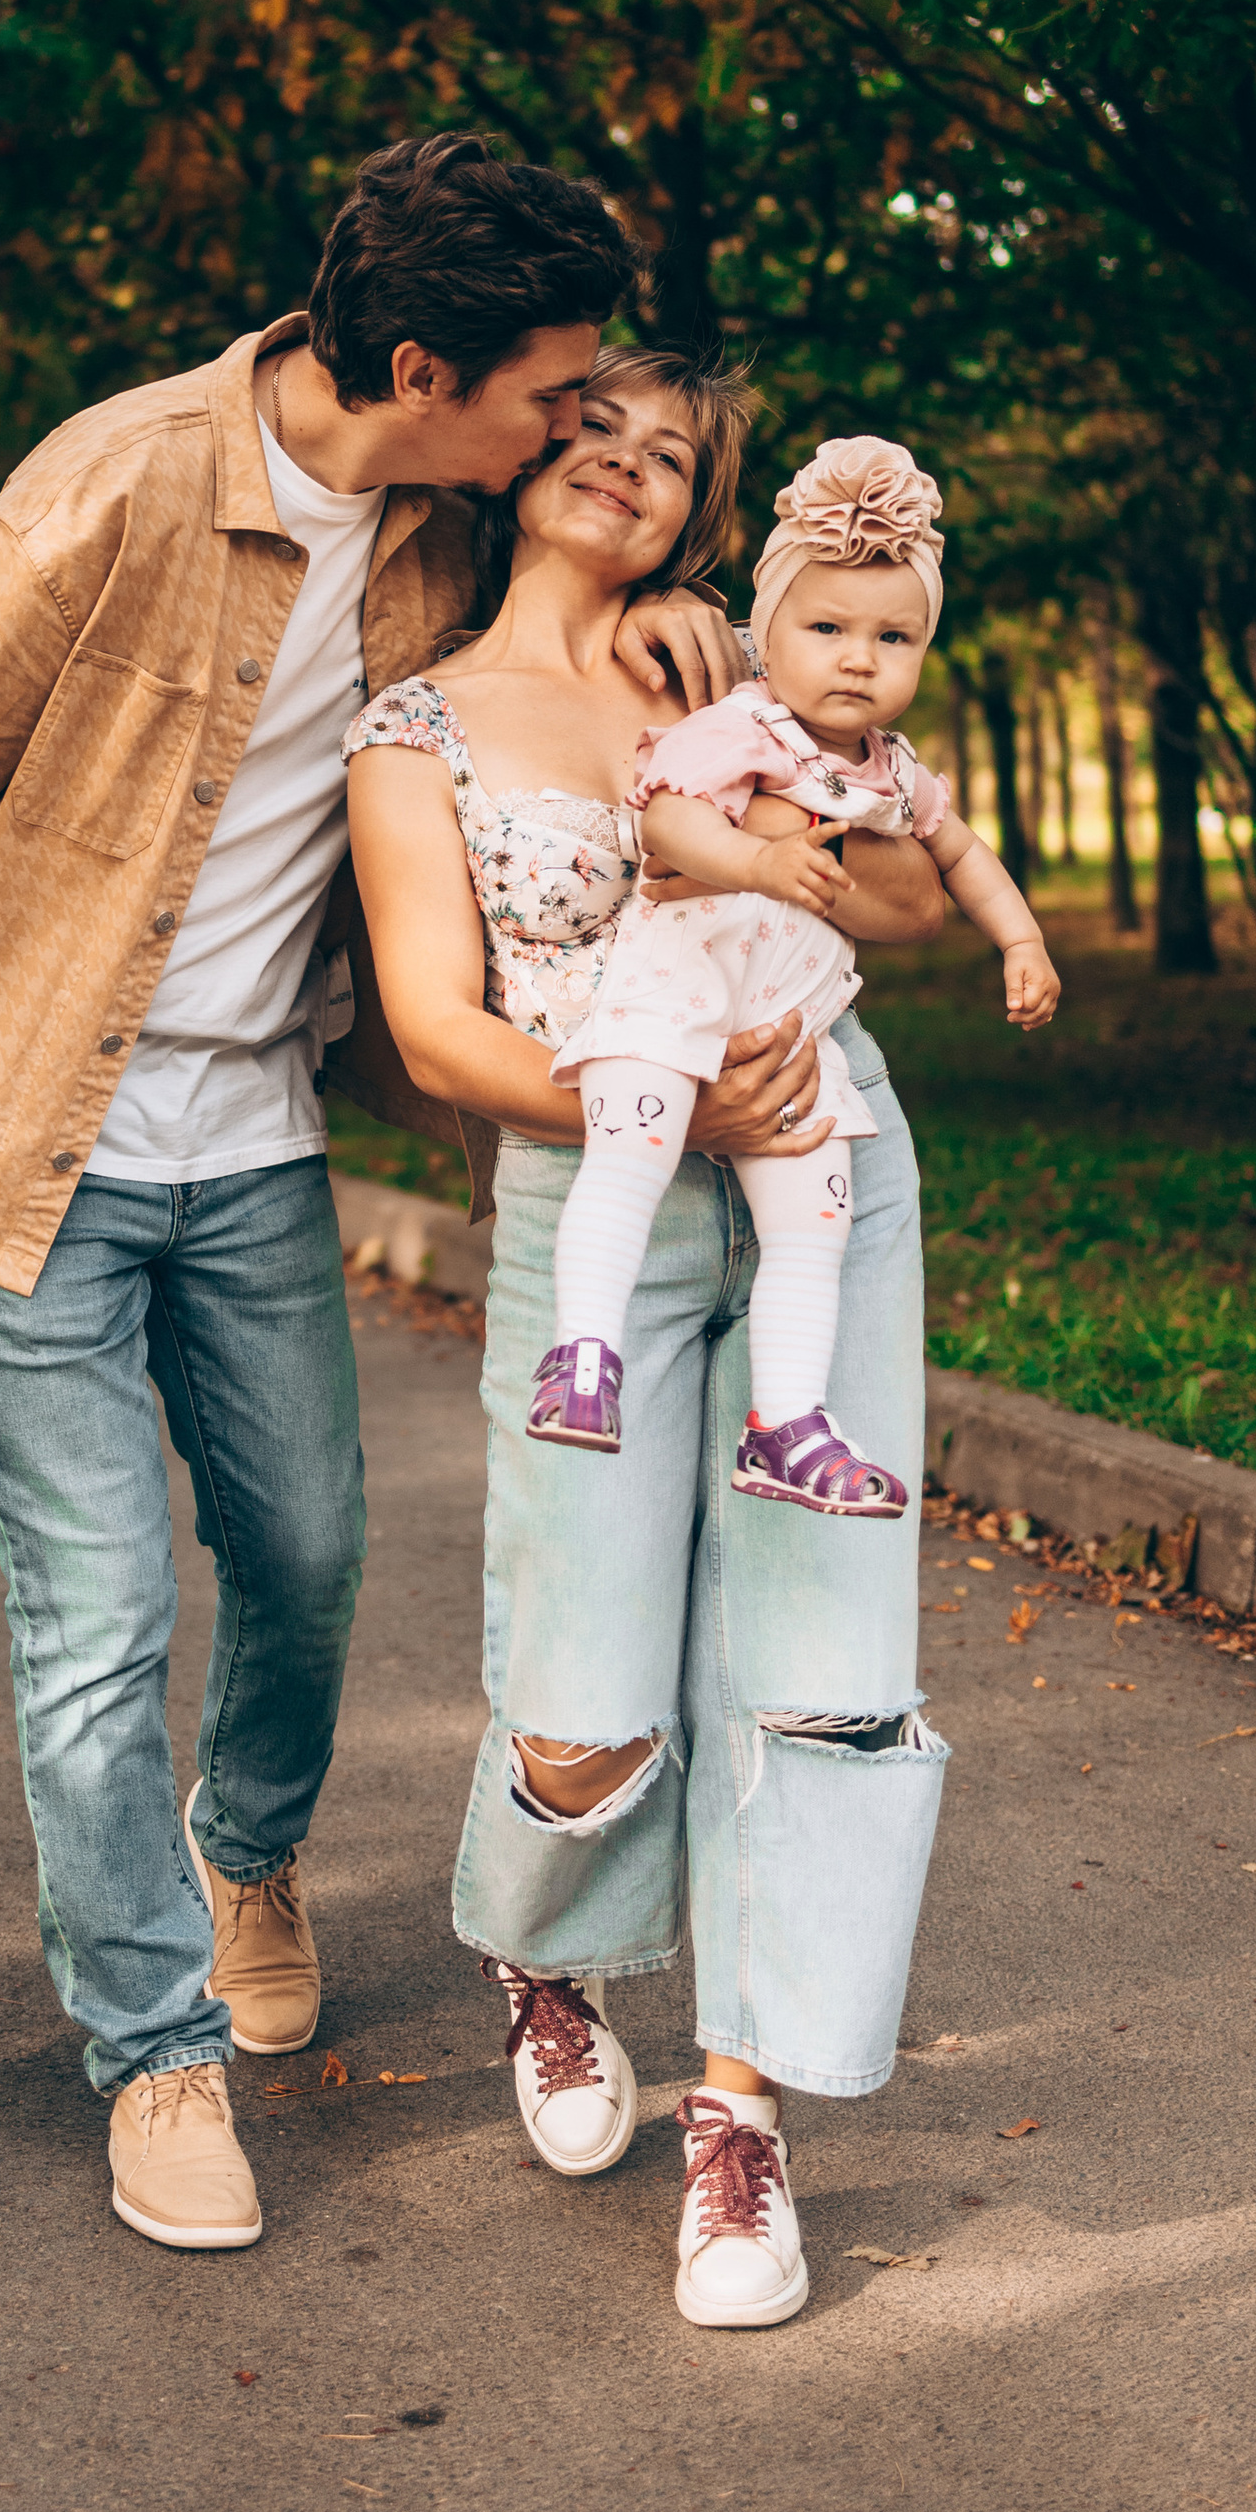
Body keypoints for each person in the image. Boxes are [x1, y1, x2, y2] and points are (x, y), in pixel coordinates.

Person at [0, 136, 769, 2259]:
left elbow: (547, 657)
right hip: (15, 1150)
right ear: (418, 364)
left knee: (303, 1555)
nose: (574, 427)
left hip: (246, 1148)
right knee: (100, 1614)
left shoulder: (430, 530)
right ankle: (152, 2055)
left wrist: (673, 611)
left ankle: (242, 1852)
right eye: (547, 396)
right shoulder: (112, 488)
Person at [344, 352, 950, 2331]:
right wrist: (670, 1101)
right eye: (587, 425)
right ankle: (544, 1956)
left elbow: (898, 909)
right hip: (588, 1190)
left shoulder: (731, 675)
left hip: (819, 1178)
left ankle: (741, 2115)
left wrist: (816, 770)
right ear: (516, 450)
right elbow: (437, 1027)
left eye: (668, 453)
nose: (619, 464)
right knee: (582, 1689)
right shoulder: (411, 722)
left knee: (817, 1663)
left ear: (704, 510)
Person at [540, 435, 1061, 1497]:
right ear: (765, 637)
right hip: (670, 1000)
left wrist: (1020, 940)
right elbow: (671, 826)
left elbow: (960, 859)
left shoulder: (897, 773)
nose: (859, 658)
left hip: (792, 1032)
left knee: (817, 1219)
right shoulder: (742, 723)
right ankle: (582, 1352)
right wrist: (762, 862)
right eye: (827, 629)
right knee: (627, 1158)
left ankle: (783, 1421)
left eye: (893, 637)